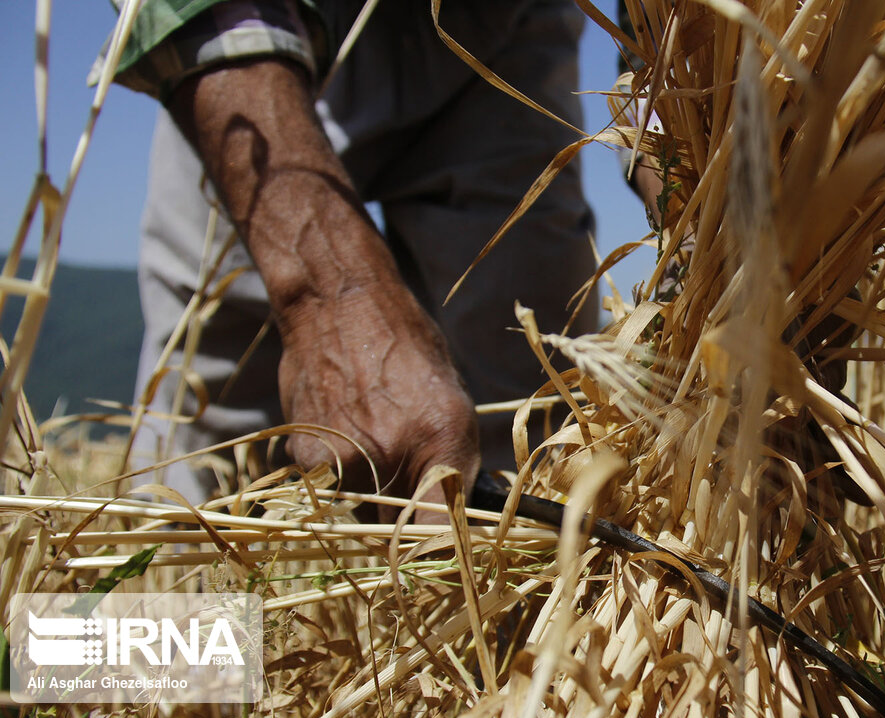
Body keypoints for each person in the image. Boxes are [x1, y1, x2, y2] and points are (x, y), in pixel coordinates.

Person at [96, 0, 597, 514]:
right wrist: (325, 292)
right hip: (258, 37)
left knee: (534, 404)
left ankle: (516, 581)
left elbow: (670, 49)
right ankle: (202, 572)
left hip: (502, 24)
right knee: (216, 412)